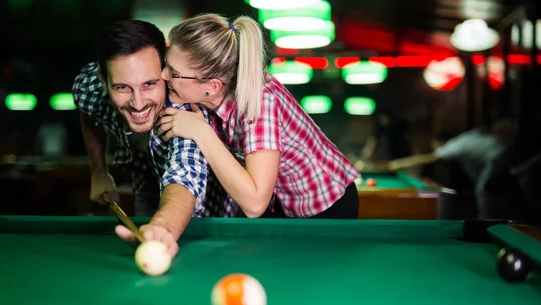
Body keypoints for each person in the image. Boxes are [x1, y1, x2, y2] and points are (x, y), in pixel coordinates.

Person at [155, 13, 360, 219]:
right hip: (279, 203)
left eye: (174, 73)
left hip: (326, 204)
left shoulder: (260, 102)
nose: (163, 75)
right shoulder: (207, 94)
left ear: (212, 86)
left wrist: (202, 132)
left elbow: (254, 204)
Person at [73, 19, 236, 257]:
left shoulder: (186, 109)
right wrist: (99, 171)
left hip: (208, 216)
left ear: (166, 72)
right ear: (103, 80)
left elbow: (185, 174)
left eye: (150, 84)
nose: (138, 103)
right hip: (144, 174)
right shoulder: (88, 87)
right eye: (122, 88)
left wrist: (164, 227)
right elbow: (89, 113)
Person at [387, 120, 516, 218]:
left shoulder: (453, 146)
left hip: (499, 156)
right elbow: (481, 130)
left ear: (440, 142)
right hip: (504, 153)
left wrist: (393, 165)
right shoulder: (462, 140)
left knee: (482, 190)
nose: (437, 150)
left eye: (436, 146)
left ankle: (486, 224)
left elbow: (428, 158)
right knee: (495, 192)